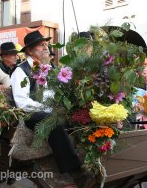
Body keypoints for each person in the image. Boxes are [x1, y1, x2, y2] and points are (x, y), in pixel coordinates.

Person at [11, 30, 93, 187]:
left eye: (46, 44)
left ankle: (89, 159)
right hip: (31, 114)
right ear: (29, 50)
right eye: (41, 45)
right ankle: (76, 172)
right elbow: (22, 102)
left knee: (78, 116)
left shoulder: (49, 68)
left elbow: (56, 93)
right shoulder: (21, 71)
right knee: (53, 122)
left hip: (51, 110)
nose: (46, 48)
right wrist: (49, 109)